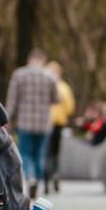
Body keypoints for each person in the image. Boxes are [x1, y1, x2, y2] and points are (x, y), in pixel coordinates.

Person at [5, 48, 59, 199]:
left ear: (30, 59)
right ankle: (39, 183)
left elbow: (12, 100)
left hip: (25, 122)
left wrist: (8, 118)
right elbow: (57, 99)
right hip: (44, 123)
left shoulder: (19, 75)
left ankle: (30, 178)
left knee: (26, 153)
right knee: (40, 155)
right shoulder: (50, 76)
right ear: (44, 60)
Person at [43, 61, 76, 194]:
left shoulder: (43, 85)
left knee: (45, 152)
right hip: (59, 122)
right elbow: (70, 107)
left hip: (45, 122)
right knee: (55, 151)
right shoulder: (64, 87)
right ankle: (55, 173)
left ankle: (45, 178)